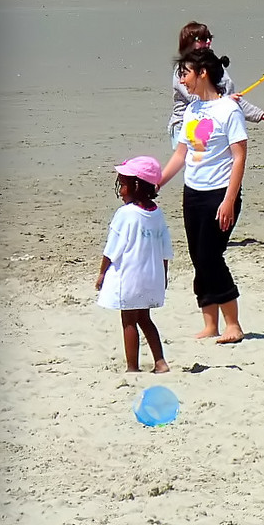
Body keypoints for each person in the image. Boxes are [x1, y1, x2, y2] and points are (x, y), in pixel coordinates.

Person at [158, 47, 248, 342]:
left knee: (212, 256)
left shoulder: (229, 110)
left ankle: (233, 324)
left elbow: (239, 157)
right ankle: (211, 324)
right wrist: (157, 182)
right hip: (193, 192)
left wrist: (229, 201)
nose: (181, 80)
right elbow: (181, 154)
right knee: (198, 258)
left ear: (203, 73)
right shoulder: (193, 110)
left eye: (184, 73)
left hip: (220, 193)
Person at [95, 156, 172, 373]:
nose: (120, 190)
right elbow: (165, 249)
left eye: (123, 184)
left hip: (130, 277)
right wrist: (163, 275)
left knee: (129, 319)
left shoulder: (125, 214)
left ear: (135, 186)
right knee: (145, 318)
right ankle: (160, 361)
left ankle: (132, 367)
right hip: (151, 276)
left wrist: (102, 273)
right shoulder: (157, 214)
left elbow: (112, 249)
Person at [167, 22, 264, 146]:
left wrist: (258, 114)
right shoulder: (183, 71)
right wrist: (225, 101)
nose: (207, 42)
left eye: (209, 38)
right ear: (188, 42)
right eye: (202, 39)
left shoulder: (213, 66)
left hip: (213, 123)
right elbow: (198, 98)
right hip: (185, 126)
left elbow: (232, 97)